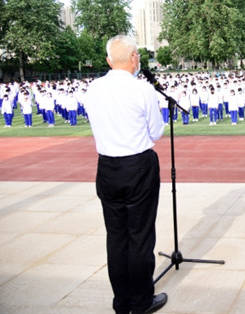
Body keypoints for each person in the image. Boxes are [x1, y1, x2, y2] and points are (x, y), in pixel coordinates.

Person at [84, 35, 167, 314]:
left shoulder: (93, 89)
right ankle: (141, 301)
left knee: (117, 238)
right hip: (138, 166)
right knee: (140, 238)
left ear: (109, 60)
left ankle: (122, 303)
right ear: (134, 59)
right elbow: (155, 132)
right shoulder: (142, 90)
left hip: (107, 167)